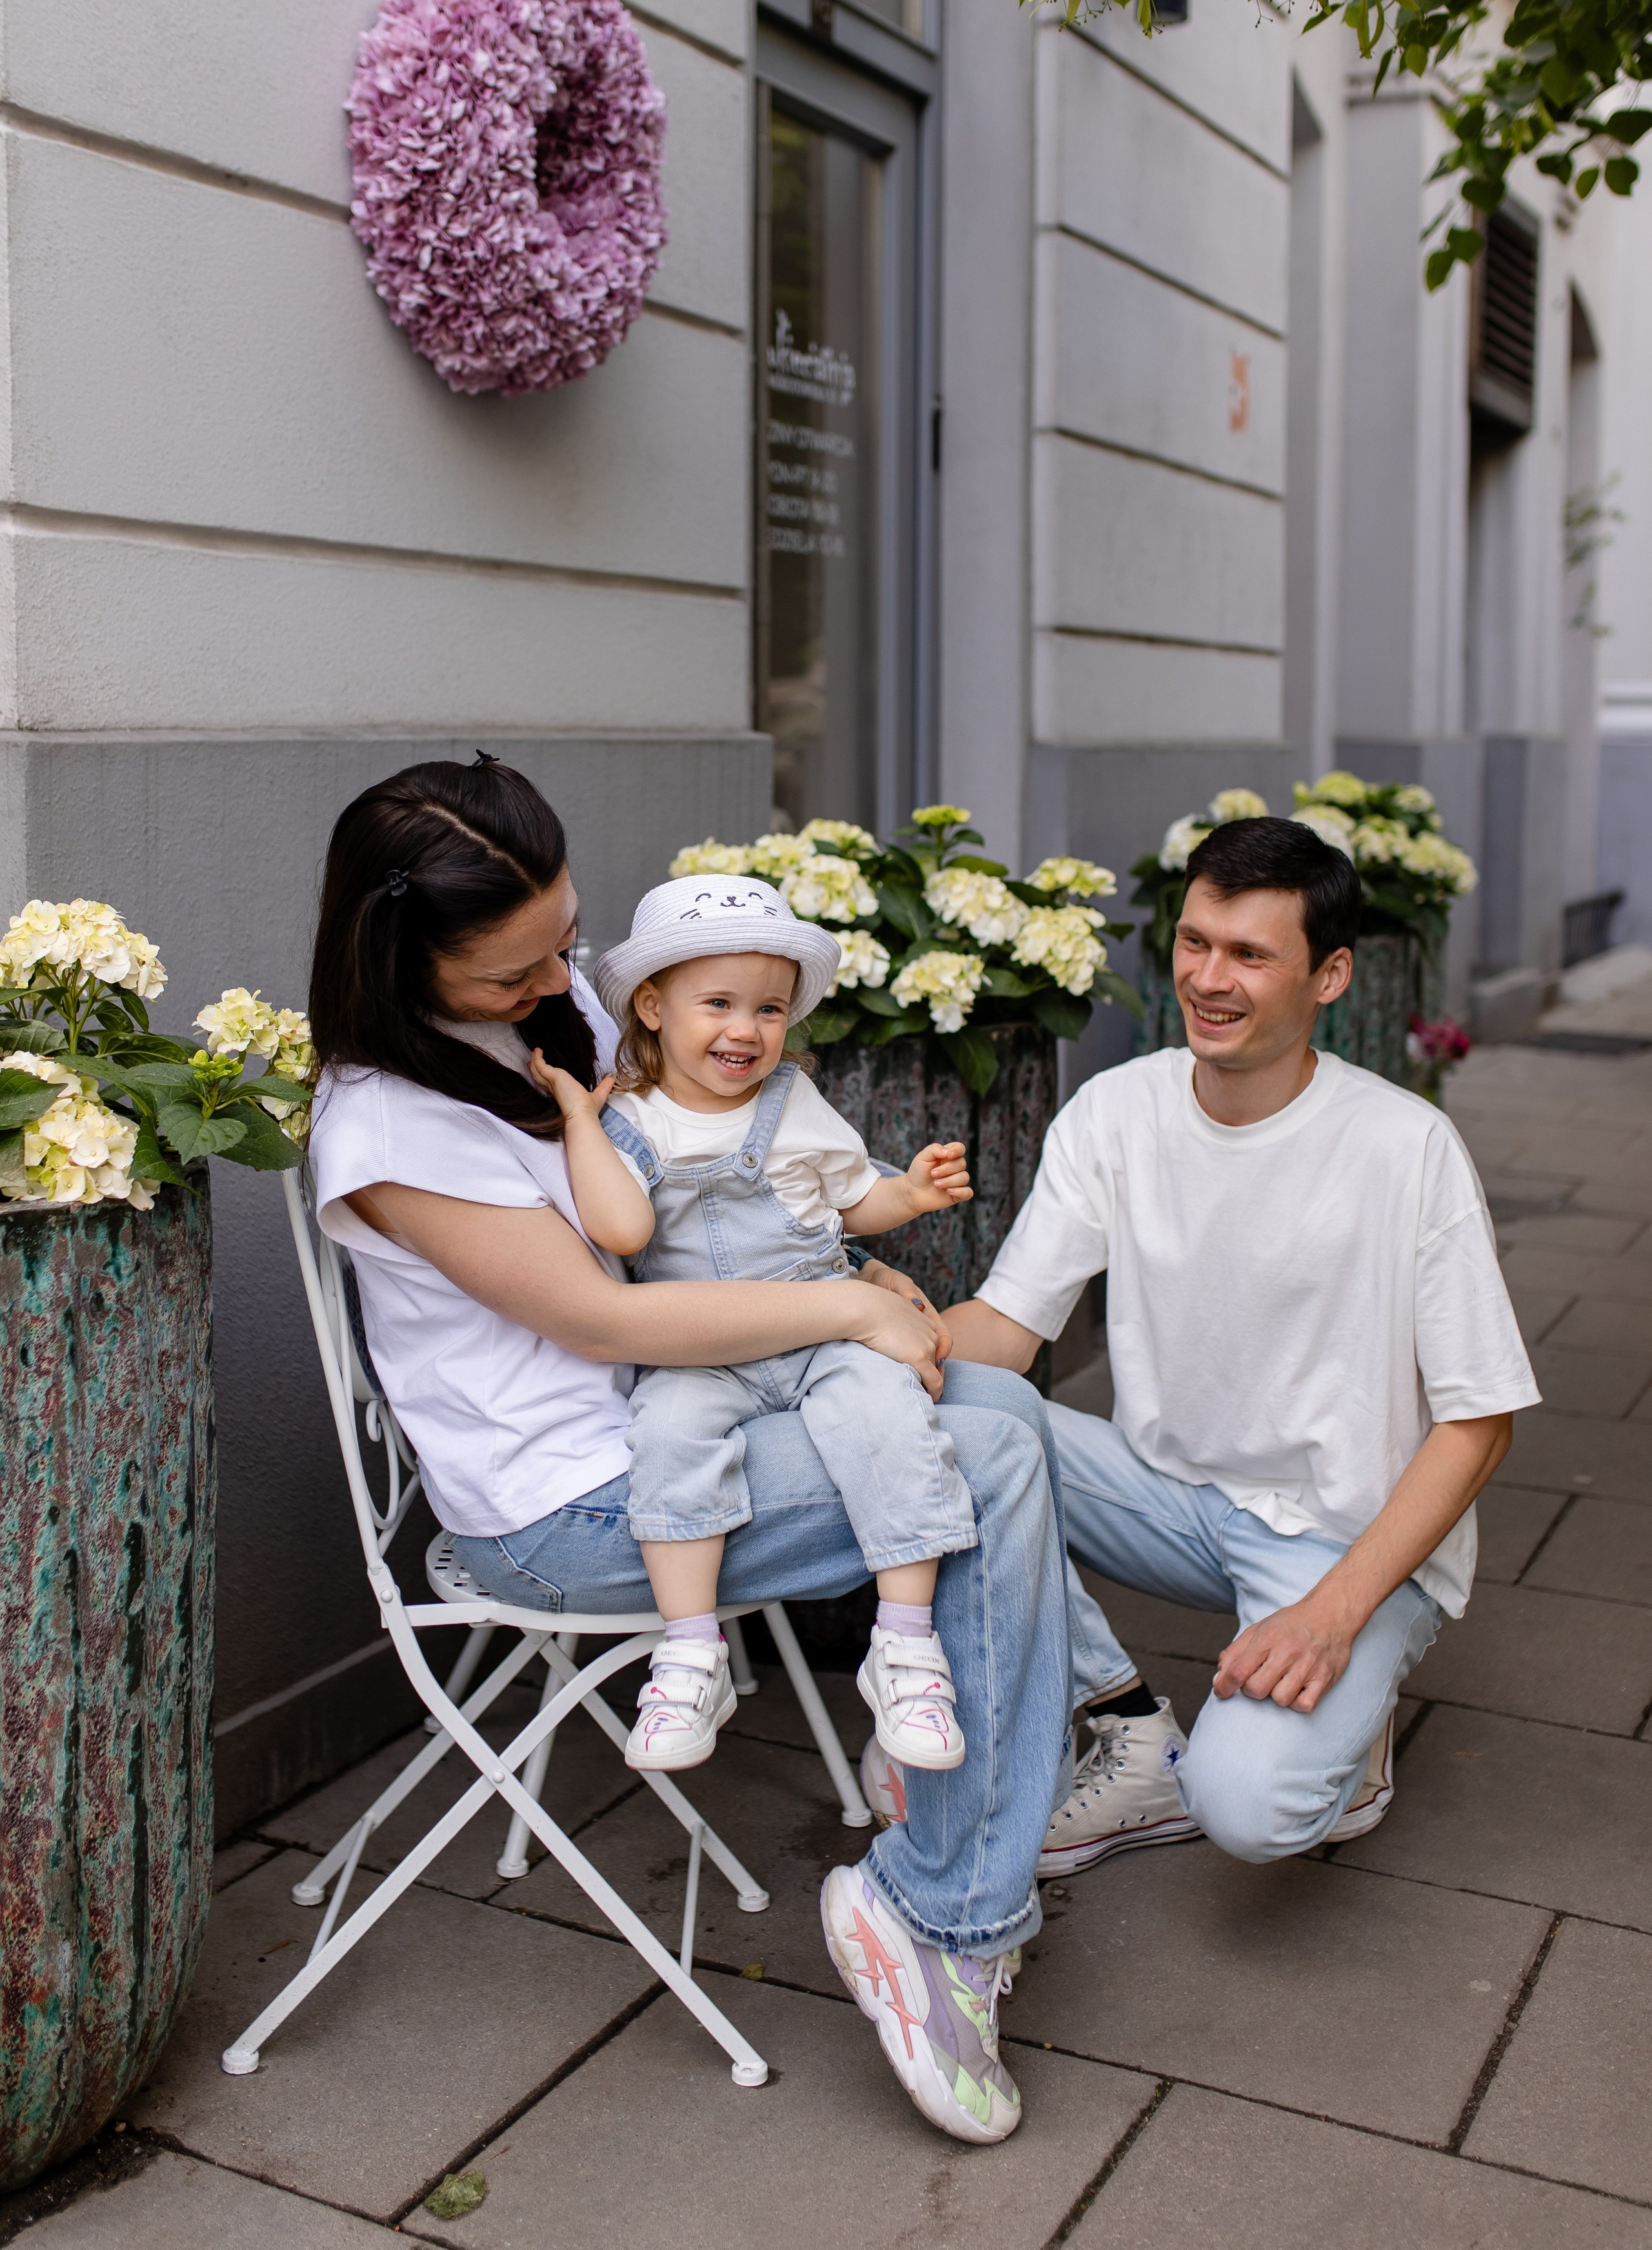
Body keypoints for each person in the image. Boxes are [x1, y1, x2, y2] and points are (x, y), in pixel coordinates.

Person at [302, 754, 1073, 2145]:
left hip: (689, 1421)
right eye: (512, 971)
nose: (560, 988)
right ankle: (943, 1912)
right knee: (997, 1456)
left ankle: (969, 1785)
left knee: (996, 1409)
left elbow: (708, 1200)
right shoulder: (385, 1124)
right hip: (578, 1507)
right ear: (399, 963)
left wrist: (845, 1274)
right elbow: (605, 1317)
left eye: (567, 940)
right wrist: (840, 1302)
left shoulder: (532, 1024)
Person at [938, 814, 1538, 1877]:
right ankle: (1122, 1723)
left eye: (1252, 955)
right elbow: (1004, 1334)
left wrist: (1331, 1615)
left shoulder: (1407, 1148)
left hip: (1347, 1539)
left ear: (1331, 976)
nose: (1210, 980)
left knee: (1251, 1815)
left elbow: (1479, 1420)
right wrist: (858, 1334)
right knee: (953, 1411)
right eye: (1196, 942)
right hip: (1165, 1496)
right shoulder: (1115, 1112)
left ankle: (1349, 1729)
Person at [530, 872, 978, 1780]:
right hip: (705, 1351)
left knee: (889, 1415)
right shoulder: (632, 1120)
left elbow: (852, 1204)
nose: (747, 1030)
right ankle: (691, 1653)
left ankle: (905, 1647)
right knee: (668, 1432)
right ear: (652, 1007)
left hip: (822, 1333)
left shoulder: (794, 1105)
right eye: (720, 1003)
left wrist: (911, 1194)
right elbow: (622, 1231)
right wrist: (583, 1115)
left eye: (770, 1009)